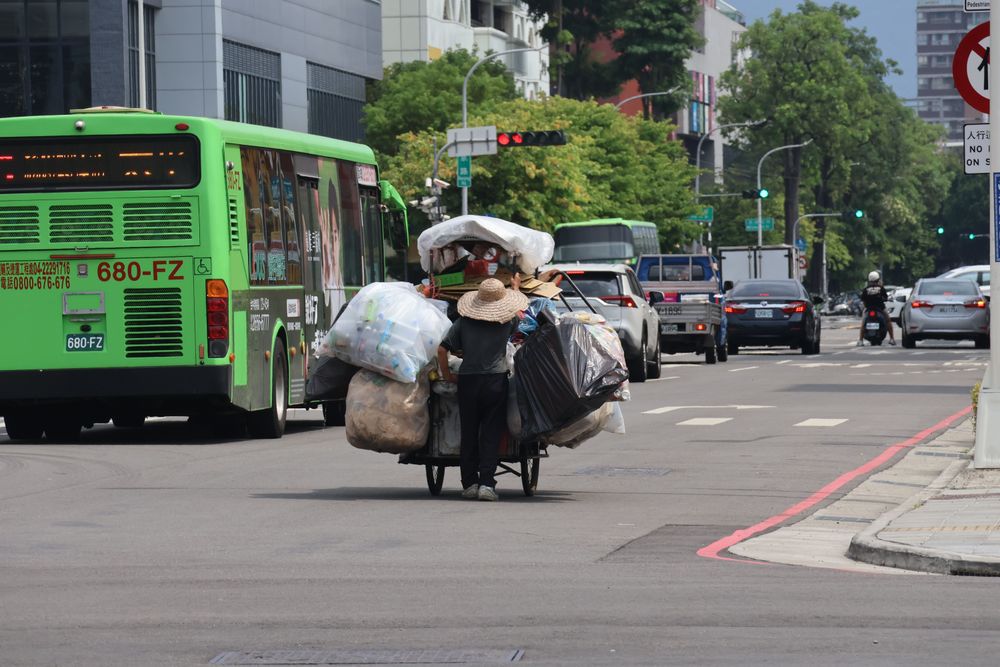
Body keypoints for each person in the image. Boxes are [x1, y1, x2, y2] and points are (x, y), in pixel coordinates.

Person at [437, 276, 528, 501]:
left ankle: (469, 483)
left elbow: (442, 350)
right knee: (490, 434)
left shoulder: (463, 322)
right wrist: (516, 288)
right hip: (495, 382)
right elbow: (522, 317)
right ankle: (487, 484)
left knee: (469, 432)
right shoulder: (507, 321)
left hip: (468, 382)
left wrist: (448, 376)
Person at [858, 270, 896, 346]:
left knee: (863, 323)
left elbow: (863, 300)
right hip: (880, 308)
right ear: (878, 279)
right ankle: (892, 339)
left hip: (868, 309)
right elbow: (885, 298)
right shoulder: (881, 288)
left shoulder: (866, 289)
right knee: (888, 321)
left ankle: (860, 340)